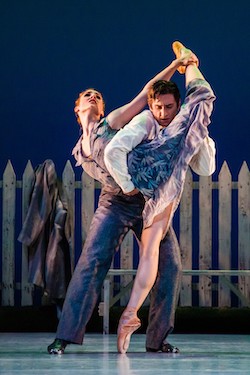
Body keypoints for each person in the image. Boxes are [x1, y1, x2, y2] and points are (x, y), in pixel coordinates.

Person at [47, 41, 215, 355]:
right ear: (77, 109)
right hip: (115, 202)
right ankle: (64, 336)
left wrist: (177, 64)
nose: (93, 96)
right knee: (91, 263)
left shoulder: (110, 122)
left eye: (97, 94)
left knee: (170, 265)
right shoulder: (80, 150)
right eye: (87, 95)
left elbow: (145, 93)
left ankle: (157, 338)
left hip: (147, 198)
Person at [104, 41, 216, 353]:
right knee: (204, 98)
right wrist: (128, 186)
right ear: (151, 106)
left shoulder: (185, 124)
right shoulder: (145, 120)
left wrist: (199, 135)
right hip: (144, 179)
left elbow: (206, 169)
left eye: (169, 107)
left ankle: (129, 315)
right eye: (158, 107)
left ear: (177, 105)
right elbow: (114, 150)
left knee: (150, 253)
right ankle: (189, 60)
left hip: (161, 190)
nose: (163, 113)